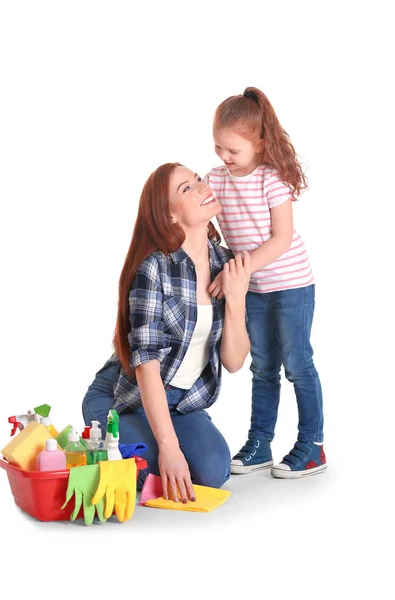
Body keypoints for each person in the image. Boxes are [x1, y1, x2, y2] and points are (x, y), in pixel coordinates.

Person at [82, 162, 251, 502]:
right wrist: (170, 448)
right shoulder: (154, 267)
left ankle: (140, 451)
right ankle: (93, 440)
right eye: (186, 188)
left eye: (198, 179)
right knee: (149, 465)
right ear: (170, 215)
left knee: (213, 473)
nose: (202, 187)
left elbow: (233, 362)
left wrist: (236, 299)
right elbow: (147, 367)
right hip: (125, 398)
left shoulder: (226, 262)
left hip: (183, 404)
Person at [205, 87, 326, 478]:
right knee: (263, 367)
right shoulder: (216, 179)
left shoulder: (271, 180)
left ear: (258, 143)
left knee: (298, 365)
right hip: (253, 290)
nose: (224, 157)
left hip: (291, 286)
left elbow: (281, 238)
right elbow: (200, 216)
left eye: (232, 150)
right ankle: (260, 442)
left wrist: (234, 271)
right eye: (218, 147)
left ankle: (313, 445)